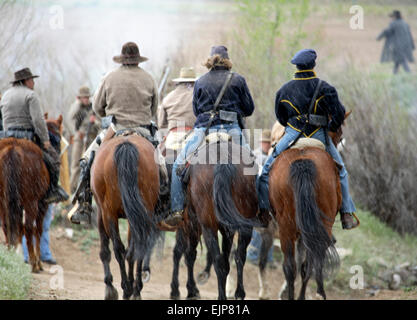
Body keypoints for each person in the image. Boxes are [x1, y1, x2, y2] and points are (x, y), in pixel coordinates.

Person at [256, 49, 359, 230]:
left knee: (265, 172)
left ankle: (264, 212)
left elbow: (280, 118)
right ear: (313, 65)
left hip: (291, 136)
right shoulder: (326, 88)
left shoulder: (284, 90)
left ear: (296, 66)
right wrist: (329, 128)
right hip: (319, 136)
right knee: (342, 172)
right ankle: (346, 213)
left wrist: (293, 125)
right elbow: (339, 115)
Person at [164, 45, 255, 226]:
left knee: (177, 167)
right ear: (227, 61)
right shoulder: (238, 80)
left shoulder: (201, 81)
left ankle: (176, 209)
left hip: (205, 131)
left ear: (210, 60)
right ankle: (258, 208)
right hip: (232, 129)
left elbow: (197, 110)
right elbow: (249, 109)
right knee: (253, 167)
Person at [70, 42, 160, 224]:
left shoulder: (109, 77)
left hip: (115, 129)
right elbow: (154, 108)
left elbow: (97, 107)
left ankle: (84, 204)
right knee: (164, 164)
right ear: (137, 60)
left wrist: (109, 113)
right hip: (142, 128)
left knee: (87, 160)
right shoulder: (149, 79)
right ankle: (164, 203)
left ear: (122, 59)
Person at [0, 67, 69, 204]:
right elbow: (38, 120)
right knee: (54, 159)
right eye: (32, 80)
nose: (33, 83)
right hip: (26, 135)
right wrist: (45, 140)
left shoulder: (6, 95)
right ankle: (52, 190)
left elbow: (5, 119)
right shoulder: (30, 95)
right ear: (25, 81)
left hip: (6, 136)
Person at [247, 129, 276, 267]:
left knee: (270, 228)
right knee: (259, 225)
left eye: (268, 143)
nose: (266, 145)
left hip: (270, 194)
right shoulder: (255, 155)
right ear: (260, 143)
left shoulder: (273, 156)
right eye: (264, 142)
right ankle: (252, 255)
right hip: (257, 194)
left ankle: (268, 258)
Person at [157, 67, 197, 153]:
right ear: (194, 82)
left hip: (173, 136)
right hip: (193, 135)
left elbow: (161, 124)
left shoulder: (168, 97)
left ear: (179, 82)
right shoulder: (198, 97)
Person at [69, 86, 100, 193]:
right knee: (76, 164)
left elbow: (100, 124)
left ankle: (90, 189)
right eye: (84, 97)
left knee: (92, 163)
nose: (86, 99)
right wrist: (76, 133)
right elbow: (70, 118)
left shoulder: (94, 108)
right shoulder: (77, 107)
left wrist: (94, 121)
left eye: (87, 97)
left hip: (91, 138)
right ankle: (73, 189)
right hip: (80, 138)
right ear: (80, 98)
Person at [377, 10, 415, 74]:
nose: (391, 18)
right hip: (406, 46)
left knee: (402, 61)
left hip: (398, 46)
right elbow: (410, 35)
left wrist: (378, 37)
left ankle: (410, 75)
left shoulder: (394, 23)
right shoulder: (405, 23)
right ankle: (394, 75)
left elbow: (387, 31)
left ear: (395, 17)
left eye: (392, 17)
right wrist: (412, 46)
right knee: (397, 61)